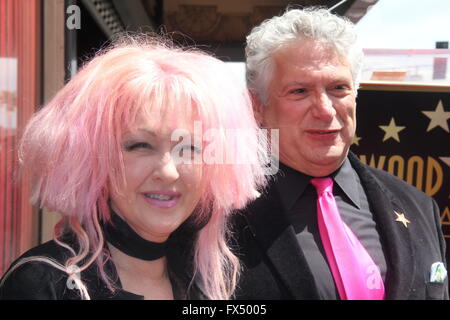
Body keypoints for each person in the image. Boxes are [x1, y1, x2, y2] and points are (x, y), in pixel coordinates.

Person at [0, 35, 267, 300]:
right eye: (140, 145)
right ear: (91, 158)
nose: (168, 172)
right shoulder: (43, 284)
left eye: (189, 149)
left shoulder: (211, 284)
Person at [232, 7, 448, 300]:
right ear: (258, 106)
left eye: (338, 88)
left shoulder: (419, 207)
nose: (325, 109)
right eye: (300, 91)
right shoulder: (220, 215)